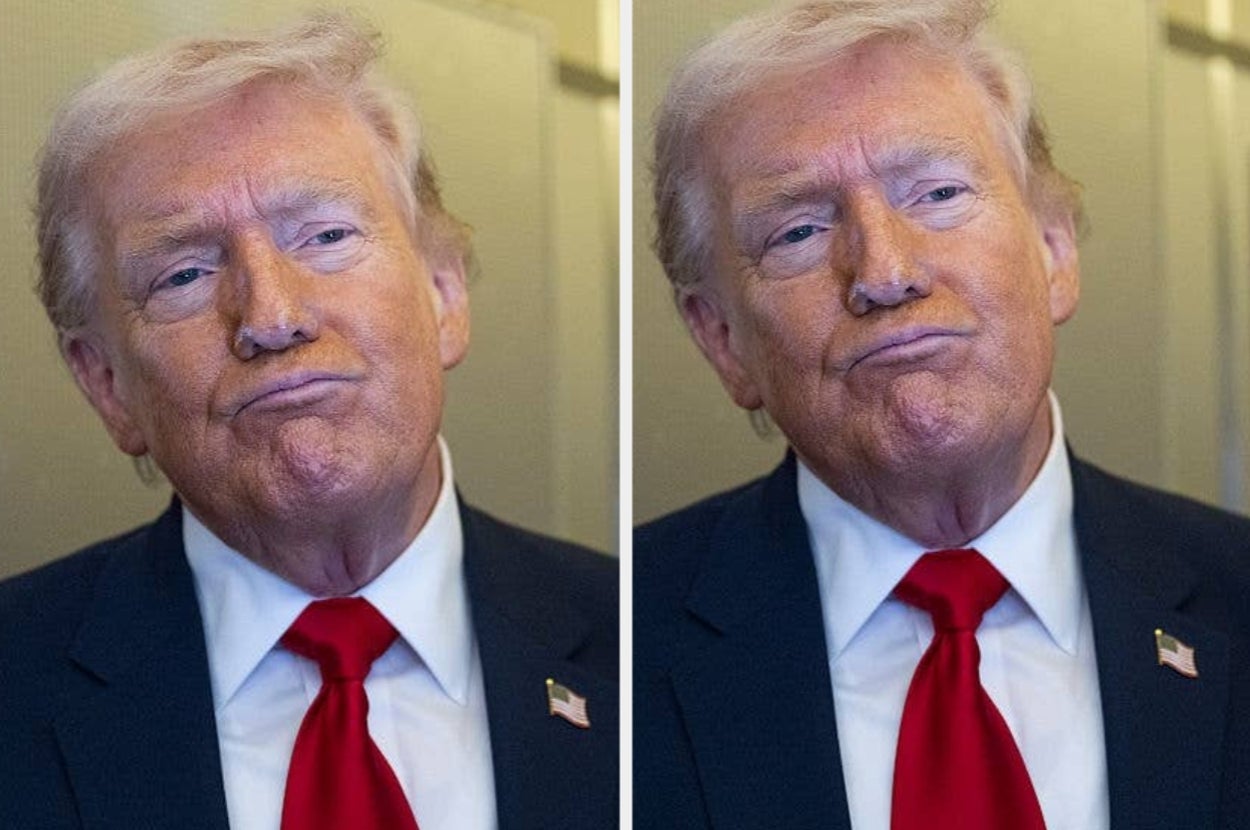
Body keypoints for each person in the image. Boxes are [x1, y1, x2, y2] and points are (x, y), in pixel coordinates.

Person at [635, 1, 1250, 828]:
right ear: (721, 339)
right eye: (800, 232)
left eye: (938, 192)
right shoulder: (621, 650)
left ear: (1055, 250)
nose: (884, 272)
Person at [0, 13, 616, 830]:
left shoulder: (643, 641)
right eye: (184, 274)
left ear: (444, 295)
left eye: (326, 235)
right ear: (107, 383)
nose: (272, 315)